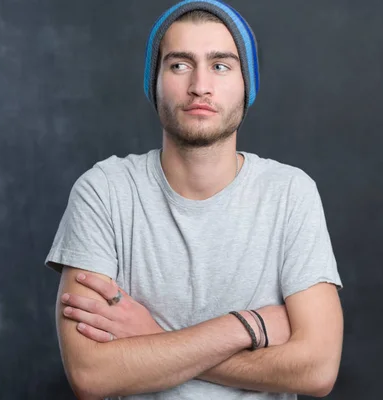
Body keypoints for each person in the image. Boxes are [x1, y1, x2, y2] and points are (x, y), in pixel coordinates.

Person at [44, 1, 344, 399]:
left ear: (246, 84)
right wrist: (247, 326)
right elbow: (90, 374)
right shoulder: (104, 191)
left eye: (221, 65)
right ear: (155, 81)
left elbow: (317, 369)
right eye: (179, 65)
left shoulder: (289, 193)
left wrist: (153, 339)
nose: (200, 85)